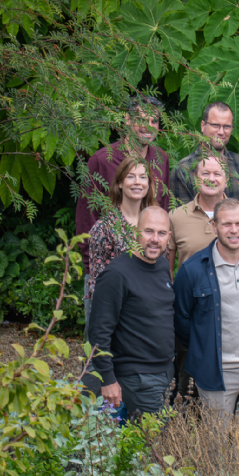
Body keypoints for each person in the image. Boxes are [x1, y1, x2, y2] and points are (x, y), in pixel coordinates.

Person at [173, 198, 239, 459]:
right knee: (216, 447)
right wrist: (205, 346)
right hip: (216, 371)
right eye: (226, 224)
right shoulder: (192, 270)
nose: (233, 230)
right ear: (214, 226)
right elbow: (183, 320)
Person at [78, 96, 171, 315]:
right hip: (107, 268)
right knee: (101, 342)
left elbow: (162, 211)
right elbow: (86, 218)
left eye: (154, 121)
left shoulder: (162, 159)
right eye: (141, 119)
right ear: (127, 120)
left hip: (149, 267)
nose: (148, 126)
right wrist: (93, 271)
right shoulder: (102, 160)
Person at [87, 207, 174, 417]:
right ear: (135, 232)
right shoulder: (116, 275)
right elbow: (98, 332)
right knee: (155, 445)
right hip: (137, 376)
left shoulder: (161, 264)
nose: (155, 239)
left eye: (161, 233)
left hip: (162, 370)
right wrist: (108, 379)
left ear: (169, 237)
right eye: (148, 231)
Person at [167, 154, 228, 400]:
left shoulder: (238, 215)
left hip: (228, 310)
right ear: (194, 178)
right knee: (185, 382)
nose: (211, 179)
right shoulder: (176, 216)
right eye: (205, 173)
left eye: (217, 174)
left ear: (226, 180)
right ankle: (185, 429)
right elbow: (166, 267)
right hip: (189, 312)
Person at [85, 158, 157, 318]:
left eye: (143, 177)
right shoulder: (104, 227)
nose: (137, 182)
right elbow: (97, 281)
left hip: (150, 311)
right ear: (119, 183)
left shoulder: (157, 224)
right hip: (117, 312)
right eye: (130, 176)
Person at [170, 101, 239, 204]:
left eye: (227, 127)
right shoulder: (183, 169)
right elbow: (182, 216)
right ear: (203, 126)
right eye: (215, 125)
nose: (221, 132)